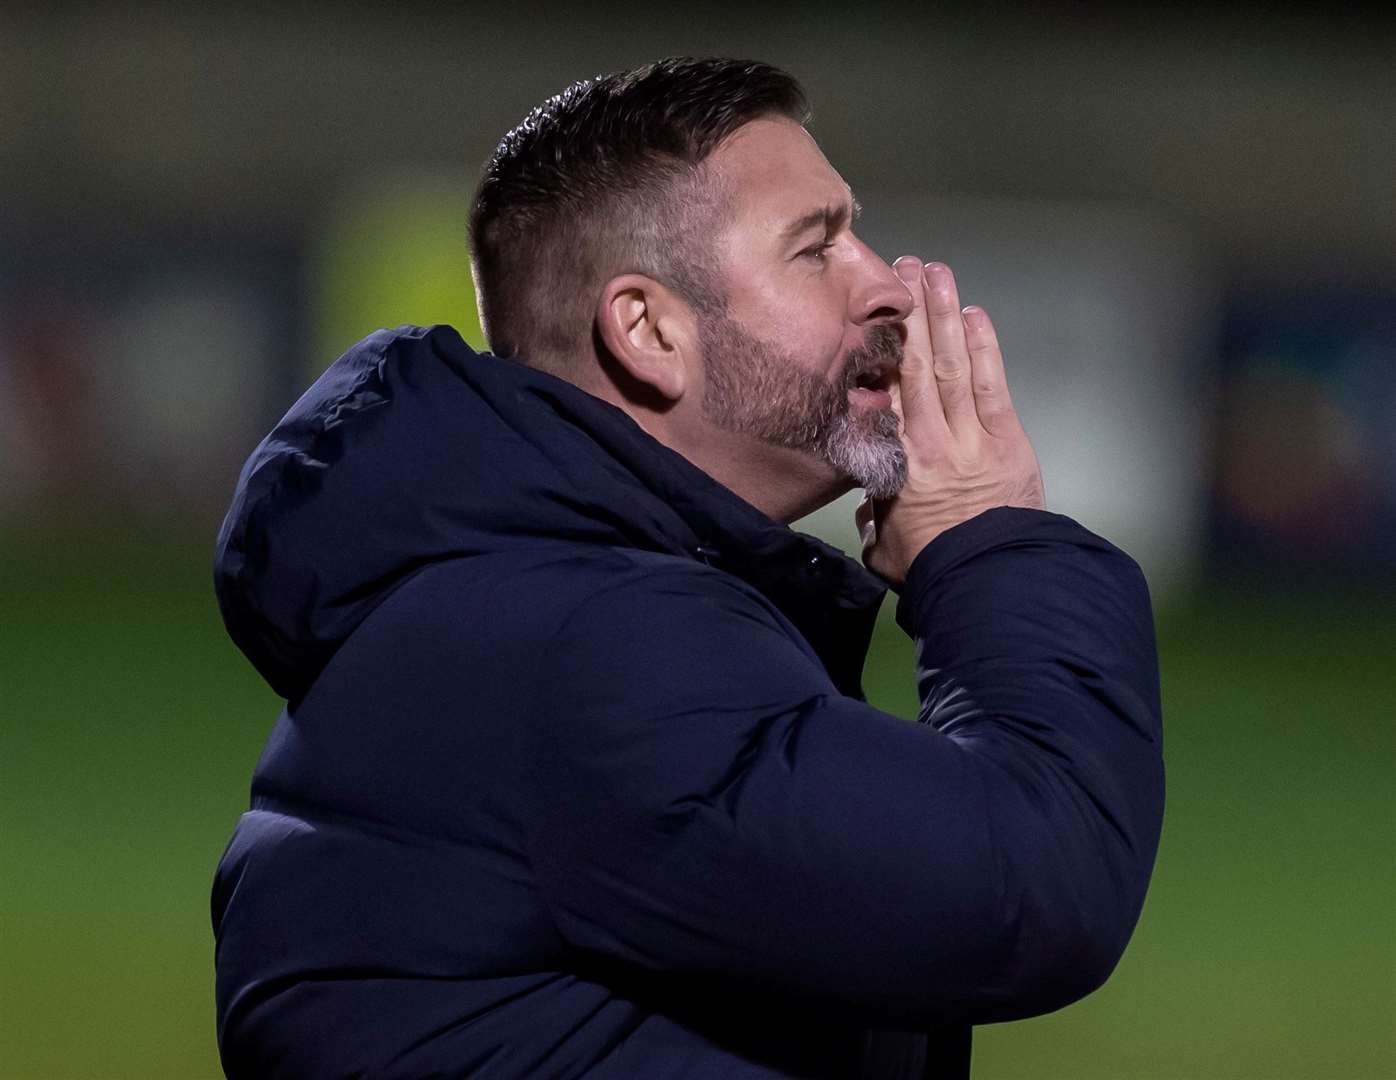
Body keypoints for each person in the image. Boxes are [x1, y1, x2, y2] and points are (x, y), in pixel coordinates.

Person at [211, 57, 1164, 1079]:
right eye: (817, 248)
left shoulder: (527, 600)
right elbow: (1027, 885)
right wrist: (988, 540)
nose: (884, 282)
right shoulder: (588, 645)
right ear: (648, 331)